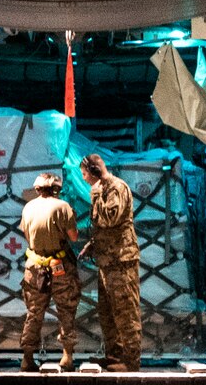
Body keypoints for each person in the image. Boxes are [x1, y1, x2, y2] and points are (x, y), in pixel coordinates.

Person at [78, 152, 141, 370]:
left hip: (121, 261)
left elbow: (111, 218)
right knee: (108, 314)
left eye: (85, 174)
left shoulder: (116, 188)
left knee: (126, 312)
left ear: (94, 171)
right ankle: (115, 355)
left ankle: (131, 361)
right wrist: (92, 245)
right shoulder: (103, 189)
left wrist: (96, 196)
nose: (84, 179)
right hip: (107, 261)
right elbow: (101, 225)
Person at [17, 171, 80, 371]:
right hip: (59, 265)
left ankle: (27, 359)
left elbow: (26, 234)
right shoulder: (63, 207)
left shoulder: (28, 207)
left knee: (34, 312)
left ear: (37, 188)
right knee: (66, 310)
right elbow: (74, 237)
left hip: (34, 267)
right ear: (57, 188)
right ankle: (67, 357)